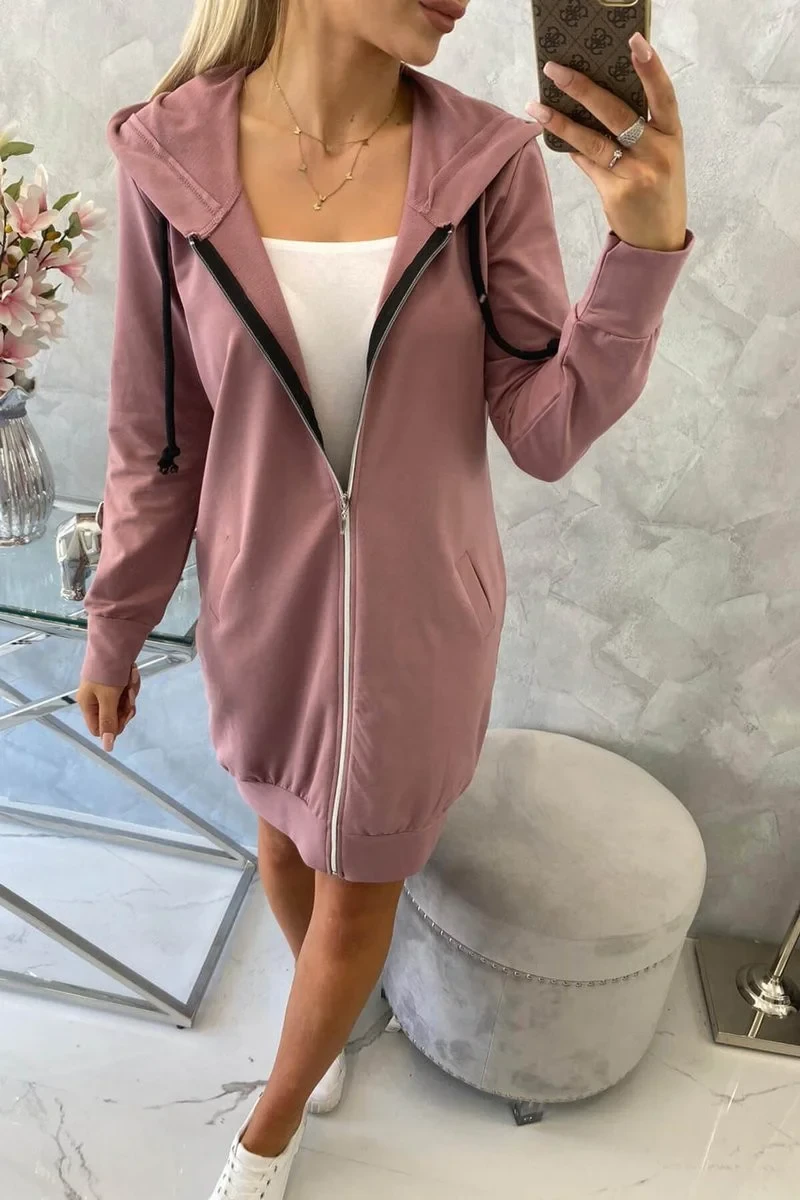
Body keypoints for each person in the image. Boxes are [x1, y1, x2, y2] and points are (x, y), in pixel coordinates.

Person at [76, 0, 693, 1195]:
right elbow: (156, 442)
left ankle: (267, 1132)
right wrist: (116, 623)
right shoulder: (169, 158)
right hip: (259, 609)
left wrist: (640, 253)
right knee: (281, 834)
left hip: (422, 625)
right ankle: (336, 1025)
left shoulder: (485, 164)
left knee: (361, 889)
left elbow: (544, 429)